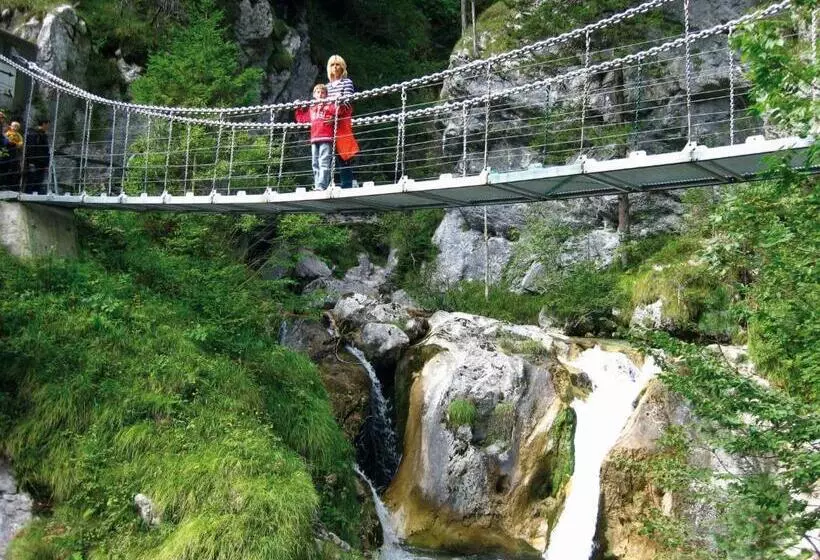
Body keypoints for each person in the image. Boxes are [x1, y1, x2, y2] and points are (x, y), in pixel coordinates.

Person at [295, 83, 347, 191]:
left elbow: (338, 111)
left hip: (326, 138)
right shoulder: (312, 108)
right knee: (315, 163)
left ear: (326, 95)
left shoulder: (329, 106)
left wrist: (340, 102)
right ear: (314, 94)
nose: (320, 94)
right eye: (318, 92)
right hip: (314, 139)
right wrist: (298, 108)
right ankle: (317, 184)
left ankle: (322, 186)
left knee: (323, 161)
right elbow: (302, 120)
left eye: (323, 92)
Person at [326, 55, 359, 188]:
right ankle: (326, 184)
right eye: (332, 65)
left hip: (341, 121)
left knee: (343, 154)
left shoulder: (347, 82)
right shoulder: (327, 86)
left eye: (338, 64)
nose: (335, 67)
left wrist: (335, 113)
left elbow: (347, 101)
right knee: (327, 155)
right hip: (328, 123)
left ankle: (347, 184)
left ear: (343, 67)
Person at [25, 119, 50, 194]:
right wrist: (31, 161)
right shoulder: (34, 133)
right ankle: (28, 194)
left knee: (39, 180)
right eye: (48, 125)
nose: (48, 127)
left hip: (41, 161)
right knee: (32, 178)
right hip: (35, 161)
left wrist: (46, 163)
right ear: (43, 124)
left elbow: (45, 150)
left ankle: (35, 194)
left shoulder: (43, 134)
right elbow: (31, 147)